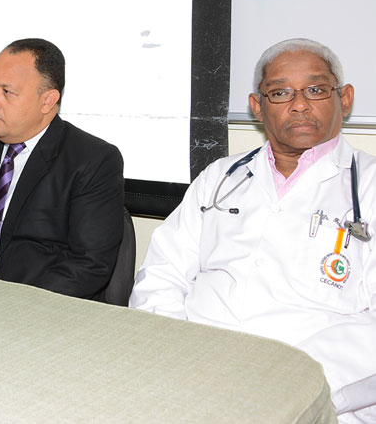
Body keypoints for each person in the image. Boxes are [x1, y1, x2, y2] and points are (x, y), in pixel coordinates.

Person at [129, 38, 376, 422]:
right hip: (188, 371)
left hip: (306, 391)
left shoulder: (370, 188)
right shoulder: (219, 177)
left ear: (344, 98)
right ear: (258, 107)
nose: (298, 104)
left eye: (315, 89)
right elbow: (162, 274)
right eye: (280, 92)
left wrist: (286, 381)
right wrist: (173, 352)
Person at [0, 38, 124, 299]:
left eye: (7, 92)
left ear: (47, 101)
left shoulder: (92, 160)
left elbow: (88, 265)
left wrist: (15, 307)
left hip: (34, 309)